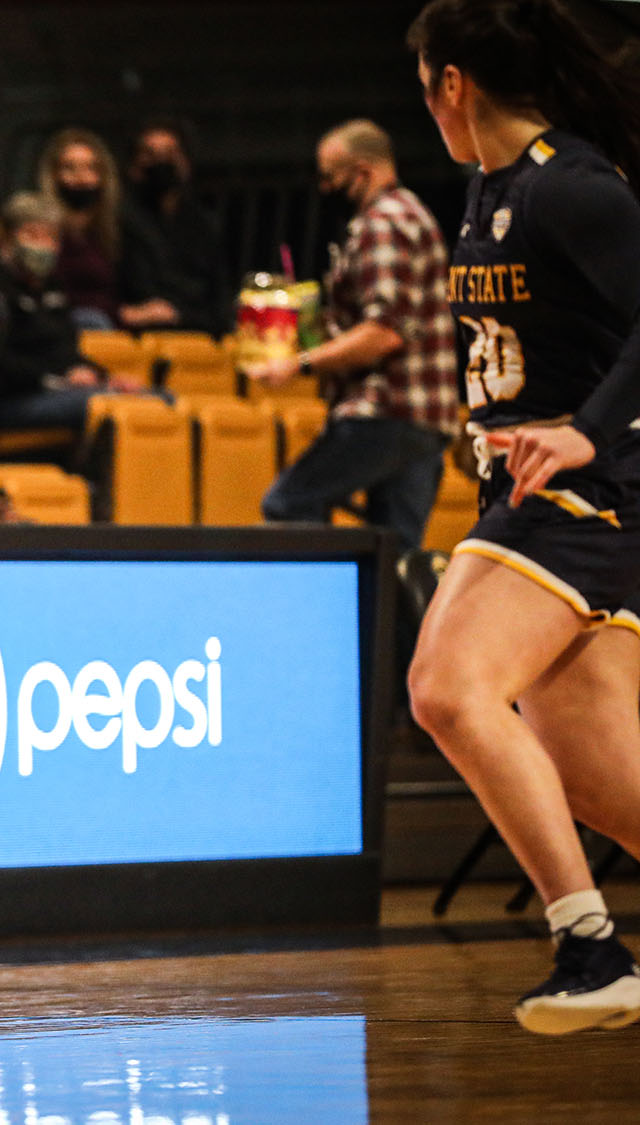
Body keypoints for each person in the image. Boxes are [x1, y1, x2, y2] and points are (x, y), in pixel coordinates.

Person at [403, 0, 640, 1036]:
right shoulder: (485, 192)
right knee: (606, 790)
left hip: (583, 498)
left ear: (449, 82)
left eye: (422, 85)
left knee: (444, 689)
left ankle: (589, 947)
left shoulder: (573, 186)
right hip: (527, 495)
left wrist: (587, 428)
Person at [248, 119, 459, 553]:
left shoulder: (384, 223)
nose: (324, 188)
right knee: (394, 556)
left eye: (330, 176)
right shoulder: (411, 213)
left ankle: (316, 615)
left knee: (288, 504)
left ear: (362, 171)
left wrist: (297, 364)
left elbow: (382, 334)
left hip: (386, 407)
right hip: (426, 413)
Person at [0, 191, 138, 433]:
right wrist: (58, 379)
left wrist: (104, 377)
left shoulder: (55, 289)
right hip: (12, 399)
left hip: (57, 392)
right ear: (6, 239)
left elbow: (68, 352)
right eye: (32, 235)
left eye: (50, 237)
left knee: (159, 398)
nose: (43, 245)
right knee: (97, 406)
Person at [119, 119, 232, 337]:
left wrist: (184, 315)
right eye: (151, 155)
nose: (162, 162)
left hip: (201, 334)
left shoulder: (206, 225)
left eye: (170, 154)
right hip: (139, 336)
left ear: (185, 164)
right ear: (134, 167)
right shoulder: (121, 222)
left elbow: (219, 297)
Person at [36, 128, 126, 331]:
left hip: (110, 323)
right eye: (70, 168)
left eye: (90, 169)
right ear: (53, 175)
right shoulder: (40, 225)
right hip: (57, 320)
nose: (81, 178)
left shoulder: (116, 229)